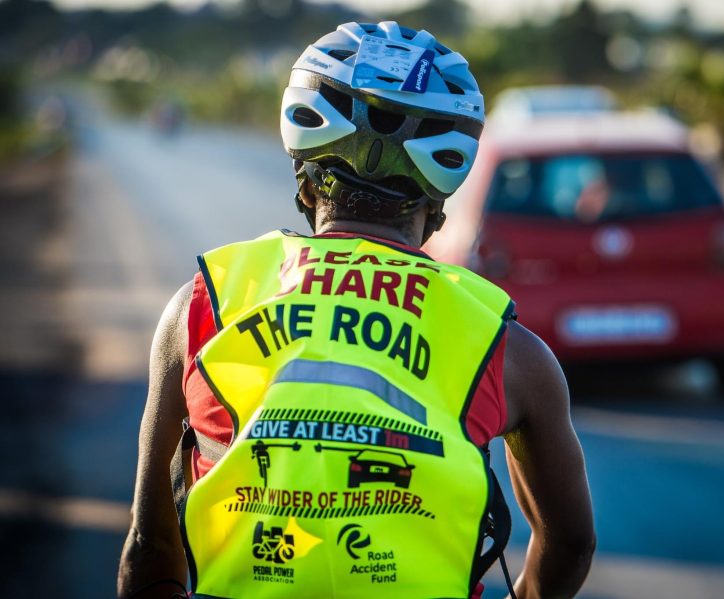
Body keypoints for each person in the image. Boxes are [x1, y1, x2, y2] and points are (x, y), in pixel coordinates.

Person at [117, 21, 594, 599]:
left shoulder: (205, 303)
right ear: (437, 200)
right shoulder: (507, 346)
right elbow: (569, 542)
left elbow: (151, 543)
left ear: (306, 177)